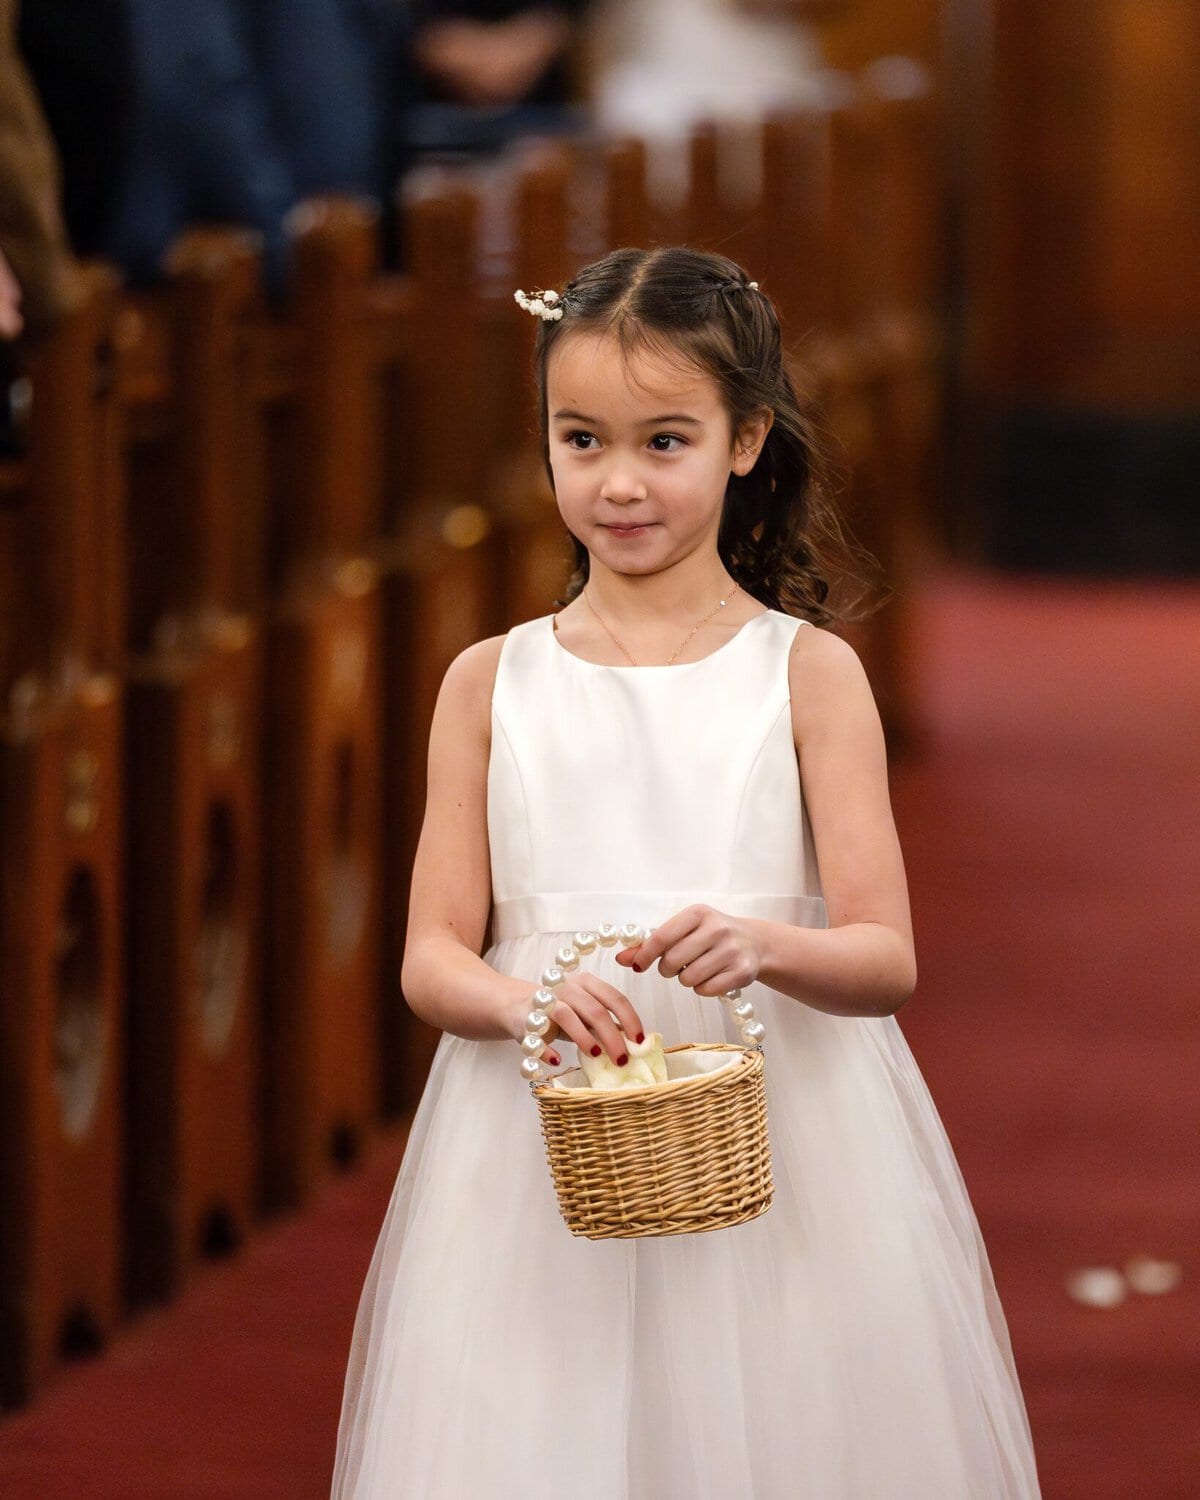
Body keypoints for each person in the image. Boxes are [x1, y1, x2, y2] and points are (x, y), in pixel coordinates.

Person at [331, 246, 1042, 1497]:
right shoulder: (492, 683)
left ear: (747, 438)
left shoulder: (807, 674)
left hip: (784, 1143)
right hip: (539, 1139)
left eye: (665, 442)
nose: (618, 483)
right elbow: (433, 956)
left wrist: (768, 944)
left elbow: (887, 959)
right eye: (581, 440)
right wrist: (525, 1000)